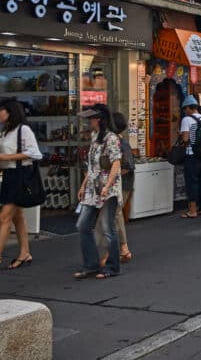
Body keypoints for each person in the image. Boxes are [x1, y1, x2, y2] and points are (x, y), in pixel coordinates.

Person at [0, 99, 42, 272]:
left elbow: (34, 153)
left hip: (20, 176)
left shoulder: (23, 130)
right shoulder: (6, 132)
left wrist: (6, 158)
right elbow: (1, 158)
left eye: (0, 110)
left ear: (11, 112)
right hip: (10, 176)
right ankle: (24, 253)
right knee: (17, 216)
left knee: (4, 217)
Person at [75, 104, 122, 279]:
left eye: (91, 118)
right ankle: (91, 264)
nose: (89, 122)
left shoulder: (111, 138)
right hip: (93, 188)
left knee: (108, 228)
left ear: (99, 119)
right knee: (83, 225)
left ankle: (112, 266)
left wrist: (108, 185)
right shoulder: (95, 137)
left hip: (107, 189)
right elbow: (92, 166)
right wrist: (83, 185)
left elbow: (116, 163)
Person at [97, 111, 134, 266]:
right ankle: (119, 250)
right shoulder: (114, 141)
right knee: (113, 215)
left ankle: (120, 249)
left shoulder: (120, 144)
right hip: (117, 185)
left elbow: (128, 166)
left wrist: (110, 178)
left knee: (115, 214)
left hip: (122, 185)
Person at [178, 95, 201, 218]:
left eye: (184, 109)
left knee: (192, 182)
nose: (184, 111)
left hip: (192, 155)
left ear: (188, 108)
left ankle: (192, 210)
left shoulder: (186, 120)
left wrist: (181, 137)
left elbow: (186, 139)